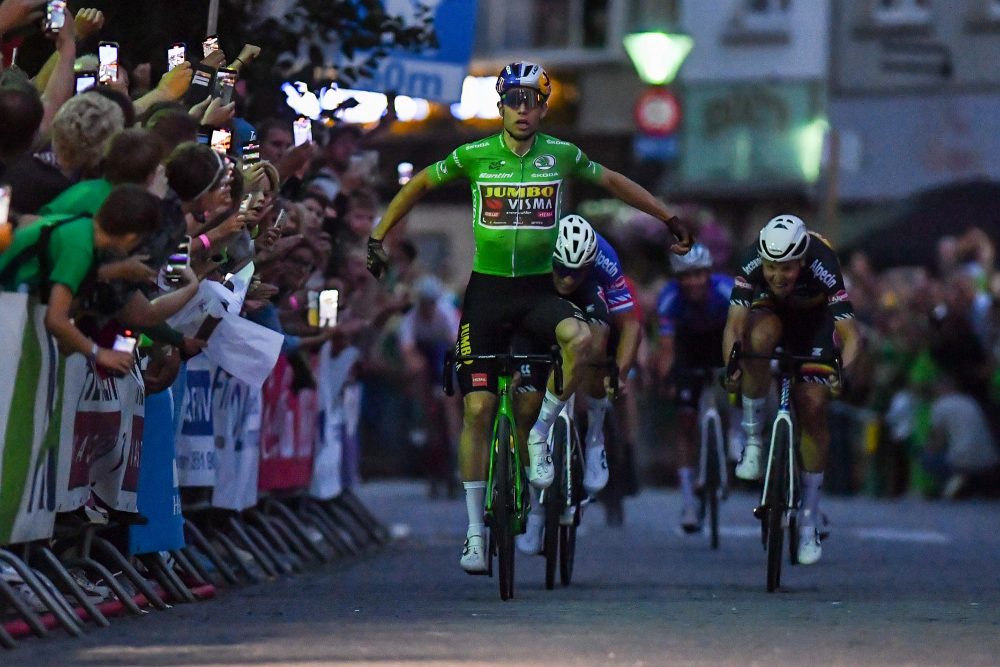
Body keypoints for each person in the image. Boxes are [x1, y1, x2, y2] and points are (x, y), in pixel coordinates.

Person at [366, 61, 691, 574]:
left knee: (580, 340)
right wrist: (378, 235)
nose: (523, 110)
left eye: (532, 101)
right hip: (488, 293)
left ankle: (540, 434)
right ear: (500, 106)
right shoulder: (475, 155)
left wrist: (667, 217)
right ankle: (475, 533)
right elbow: (420, 185)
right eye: (513, 101)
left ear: (542, 107)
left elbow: (613, 180)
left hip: (540, 290)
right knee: (476, 409)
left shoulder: (560, 155)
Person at [722, 215, 860, 565]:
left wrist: (841, 371)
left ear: (801, 261)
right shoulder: (753, 258)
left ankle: (810, 518)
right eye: (771, 268)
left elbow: (850, 336)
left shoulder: (823, 262)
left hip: (814, 324)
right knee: (755, 341)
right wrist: (731, 365)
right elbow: (734, 325)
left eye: (786, 269)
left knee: (812, 405)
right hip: (770, 313)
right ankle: (753, 441)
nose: (777, 276)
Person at [516, 214, 643, 555]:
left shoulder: (605, 258)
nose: (567, 278)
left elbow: (630, 324)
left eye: (576, 271)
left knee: (598, 347)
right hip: (538, 307)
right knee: (525, 407)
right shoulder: (531, 250)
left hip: (589, 305)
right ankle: (535, 511)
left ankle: (595, 439)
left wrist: (620, 370)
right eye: (562, 269)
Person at [655, 243, 735, 533]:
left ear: (709, 273)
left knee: (737, 388)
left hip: (722, 346)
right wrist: (667, 379)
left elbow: (744, 331)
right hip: (688, 351)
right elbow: (666, 347)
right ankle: (688, 500)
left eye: (699, 274)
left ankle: (735, 437)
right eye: (686, 276)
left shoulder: (726, 290)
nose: (693, 282)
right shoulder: (669, 298)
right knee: (686, 422)